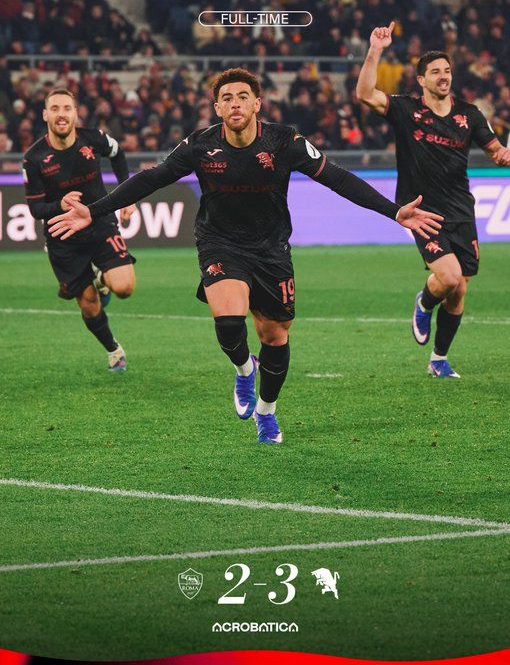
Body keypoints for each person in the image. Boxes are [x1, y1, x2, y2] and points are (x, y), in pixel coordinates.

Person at [47, 68, 442, 443]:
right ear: (217, 108)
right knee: (229, 319)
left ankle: (267, 411)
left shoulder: (285, 142)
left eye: (242, 96)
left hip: (271, 248)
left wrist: (394, 212)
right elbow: (152, 178)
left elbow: (337, 178)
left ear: (257, 104)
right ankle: (243, 368)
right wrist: (95, 210)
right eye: (226, 98)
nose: (234, 103)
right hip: (219, 242)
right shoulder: (200, 145)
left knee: (275, 335)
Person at [356, 23, 510, 378]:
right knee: (450, 276)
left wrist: (503, 155)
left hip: (461, 211)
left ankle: (438, 359)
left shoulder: (470, 114)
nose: (444, 76)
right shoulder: (405, 109)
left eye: (447, 71)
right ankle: (425, 302)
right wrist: (375, 49)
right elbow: (365, 93)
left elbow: (496, 151)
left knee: (458, 291)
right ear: (421, 80)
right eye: (436, 72)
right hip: (422, 211)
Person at [23, 88, 137, 371]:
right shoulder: (34, 158)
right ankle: (114, 350)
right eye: (55, 109)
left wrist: (126, 195)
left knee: (124, 288)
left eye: (67, 108)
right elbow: (36, 209)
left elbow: (118, 153)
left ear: (75, 113)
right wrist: (59, 204)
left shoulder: (94, 138)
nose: (61, 114)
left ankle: (101, 275)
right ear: (45, 115)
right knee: (88, 302)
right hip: (63, 236)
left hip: (99, 222)